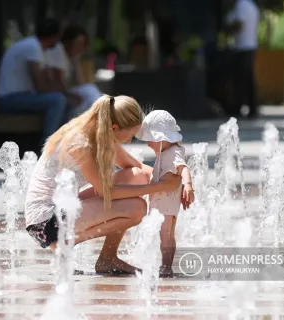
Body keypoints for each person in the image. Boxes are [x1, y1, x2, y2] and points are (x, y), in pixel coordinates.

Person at [24, 95, 182, 275]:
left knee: (135, 176)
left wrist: (174, 178)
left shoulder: (99, 130)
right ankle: (62, 242)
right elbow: (107, 192)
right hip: (45, 221)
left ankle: (108, 259)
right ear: (115, 127)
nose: (129, 141)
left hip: (63, 208)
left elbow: (137, 168)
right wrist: (160, 187)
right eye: (130, 135)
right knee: (137, 208)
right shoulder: (80, 142)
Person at [0, 18, 79, 144]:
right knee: (58, 100)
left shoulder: (37, 48)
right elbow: (40, 86)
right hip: (10, 100)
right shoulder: (33, 48)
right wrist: (66, 95)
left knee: (62, 100)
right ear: (54, 36)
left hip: (21, 97)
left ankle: (64, 144)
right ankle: (48, 147)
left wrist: (68, 95)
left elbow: (45, 83)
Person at [135, 110, 195, 277]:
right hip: (164, 200)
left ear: (161, 138)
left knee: (166, 235)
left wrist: (188, 184)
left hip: (167, 202)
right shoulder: (166, 151)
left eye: (150, 140)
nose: (148, 145)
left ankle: (166, 266)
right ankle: (164, 264)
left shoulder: (174, 152)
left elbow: (183, 168)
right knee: (166, 234)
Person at [45, 24, 102, 120]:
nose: (79, 47)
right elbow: (57, 81)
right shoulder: (58, 50)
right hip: (54, 92)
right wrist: (71, 96)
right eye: (77, 43)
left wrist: (76, 61)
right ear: (68, 42)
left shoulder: (70, 58)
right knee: (89, 91)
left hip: (63, 92)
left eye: (82, 44)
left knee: (89, 93)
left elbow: (80, 82)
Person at [226, 0, 260, 118]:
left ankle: (240, 107)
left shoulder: (241, 5)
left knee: (241, 79)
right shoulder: (252, 6)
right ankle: (252, 107)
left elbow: (239, 25)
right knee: (248, 78)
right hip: (250, 45)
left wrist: (228, 30)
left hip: (242, 47)